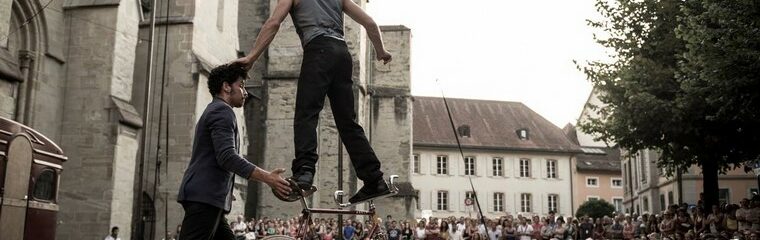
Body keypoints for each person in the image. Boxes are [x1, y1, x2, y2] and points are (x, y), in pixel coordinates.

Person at [233, 0, 394, 204]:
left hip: (318, 50)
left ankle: (304, 173)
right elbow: (370, 23)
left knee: (306, 115)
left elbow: (273, 23)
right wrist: (381, 51)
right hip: (342, 54)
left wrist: (251, 57)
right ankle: (375, 180)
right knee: (348, 123)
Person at [177, 64, 291, 239]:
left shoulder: (216, 109)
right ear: (226, 86)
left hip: (209, 198)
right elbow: (227, 157)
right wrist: (268, 177)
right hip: (205, 198)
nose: (245, 92)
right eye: (241, 85)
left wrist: (227, 188)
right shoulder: (222, 111)